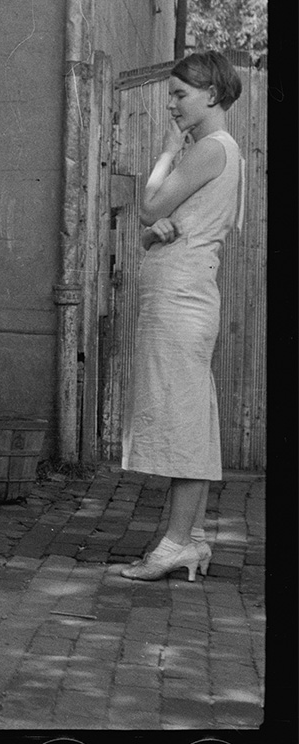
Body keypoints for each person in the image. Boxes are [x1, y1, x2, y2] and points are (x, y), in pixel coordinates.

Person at [117, 51, 244, 582]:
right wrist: (156, 231)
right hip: (181, 294)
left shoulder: (209, 149)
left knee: (183, 419)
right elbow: (157, 226)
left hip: (182, 299)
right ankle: (187, 538)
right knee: (184, 414)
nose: (171, 104)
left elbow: (147, 206)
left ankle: (175, 545)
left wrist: (167, 153)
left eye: (179, 94)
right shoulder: (218, 151)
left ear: (211, 94)